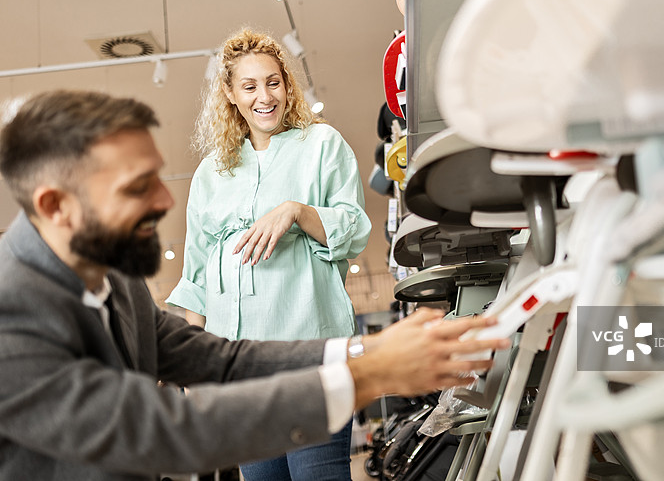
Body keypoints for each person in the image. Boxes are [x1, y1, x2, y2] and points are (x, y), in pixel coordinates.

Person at [0, 89, 509, 481]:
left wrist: (364, 348)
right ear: (55, 206)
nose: (164, 201)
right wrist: (369, 374)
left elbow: (224, 361)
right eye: (138, 187)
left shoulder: (115, 280)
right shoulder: (11, 309)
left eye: (158, 177)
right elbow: (159, 428)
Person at [165, 27, 372, 481]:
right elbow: (197, 279)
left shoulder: (322, 145)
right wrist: (188, 366)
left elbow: (354, 228)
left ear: (287, 84)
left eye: (273, 81)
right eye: (250, 86)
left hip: (309, 360)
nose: (265, 96)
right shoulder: (211, 172)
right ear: (230, 94)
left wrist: (297, 212)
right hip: (240, 374)